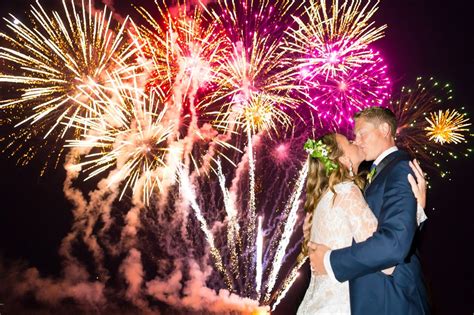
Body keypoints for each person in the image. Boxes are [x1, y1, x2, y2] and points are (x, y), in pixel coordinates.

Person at [308, 107, 430, 314]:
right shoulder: (362, 181)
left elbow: (393, 244)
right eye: (353, 137)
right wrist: (416, 214)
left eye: (361, 133)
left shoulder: (399, 168)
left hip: (393, 298)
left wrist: (329, 260)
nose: (357, 140)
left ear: (384, 129)